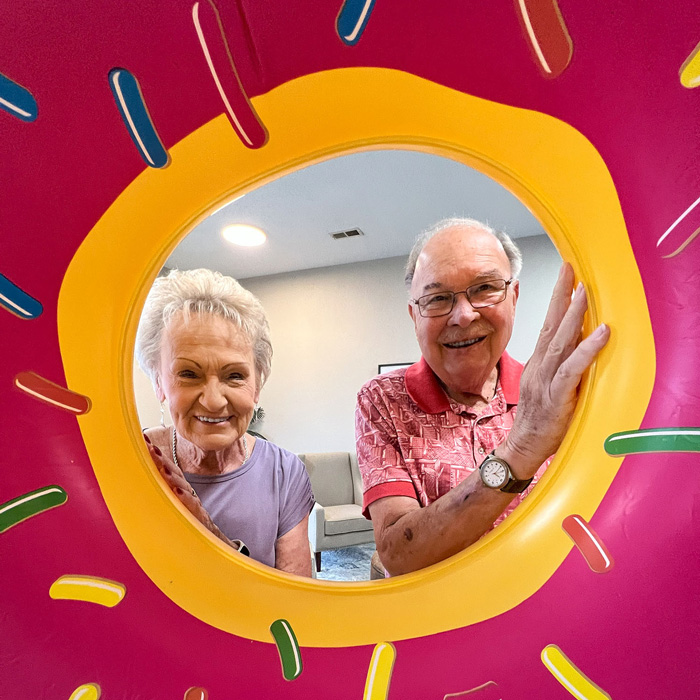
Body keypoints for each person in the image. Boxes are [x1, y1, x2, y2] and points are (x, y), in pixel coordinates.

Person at [355, 218, 610, 576]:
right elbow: (398, 554)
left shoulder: (557, 390)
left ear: (514, 297)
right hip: (447, 620)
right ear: (415, 317)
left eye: (485, 288)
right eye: (438, 298)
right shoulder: (383, 399)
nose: (463, 315)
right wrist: (523, 448)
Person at [135, 268, 314, 576]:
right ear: (158, 382)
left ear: (257, 385)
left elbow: (298, 605)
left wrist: (205, 530)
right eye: (189, 374)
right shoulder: (132, 462)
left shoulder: (284, 473)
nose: (214, 400)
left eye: (235, 376)